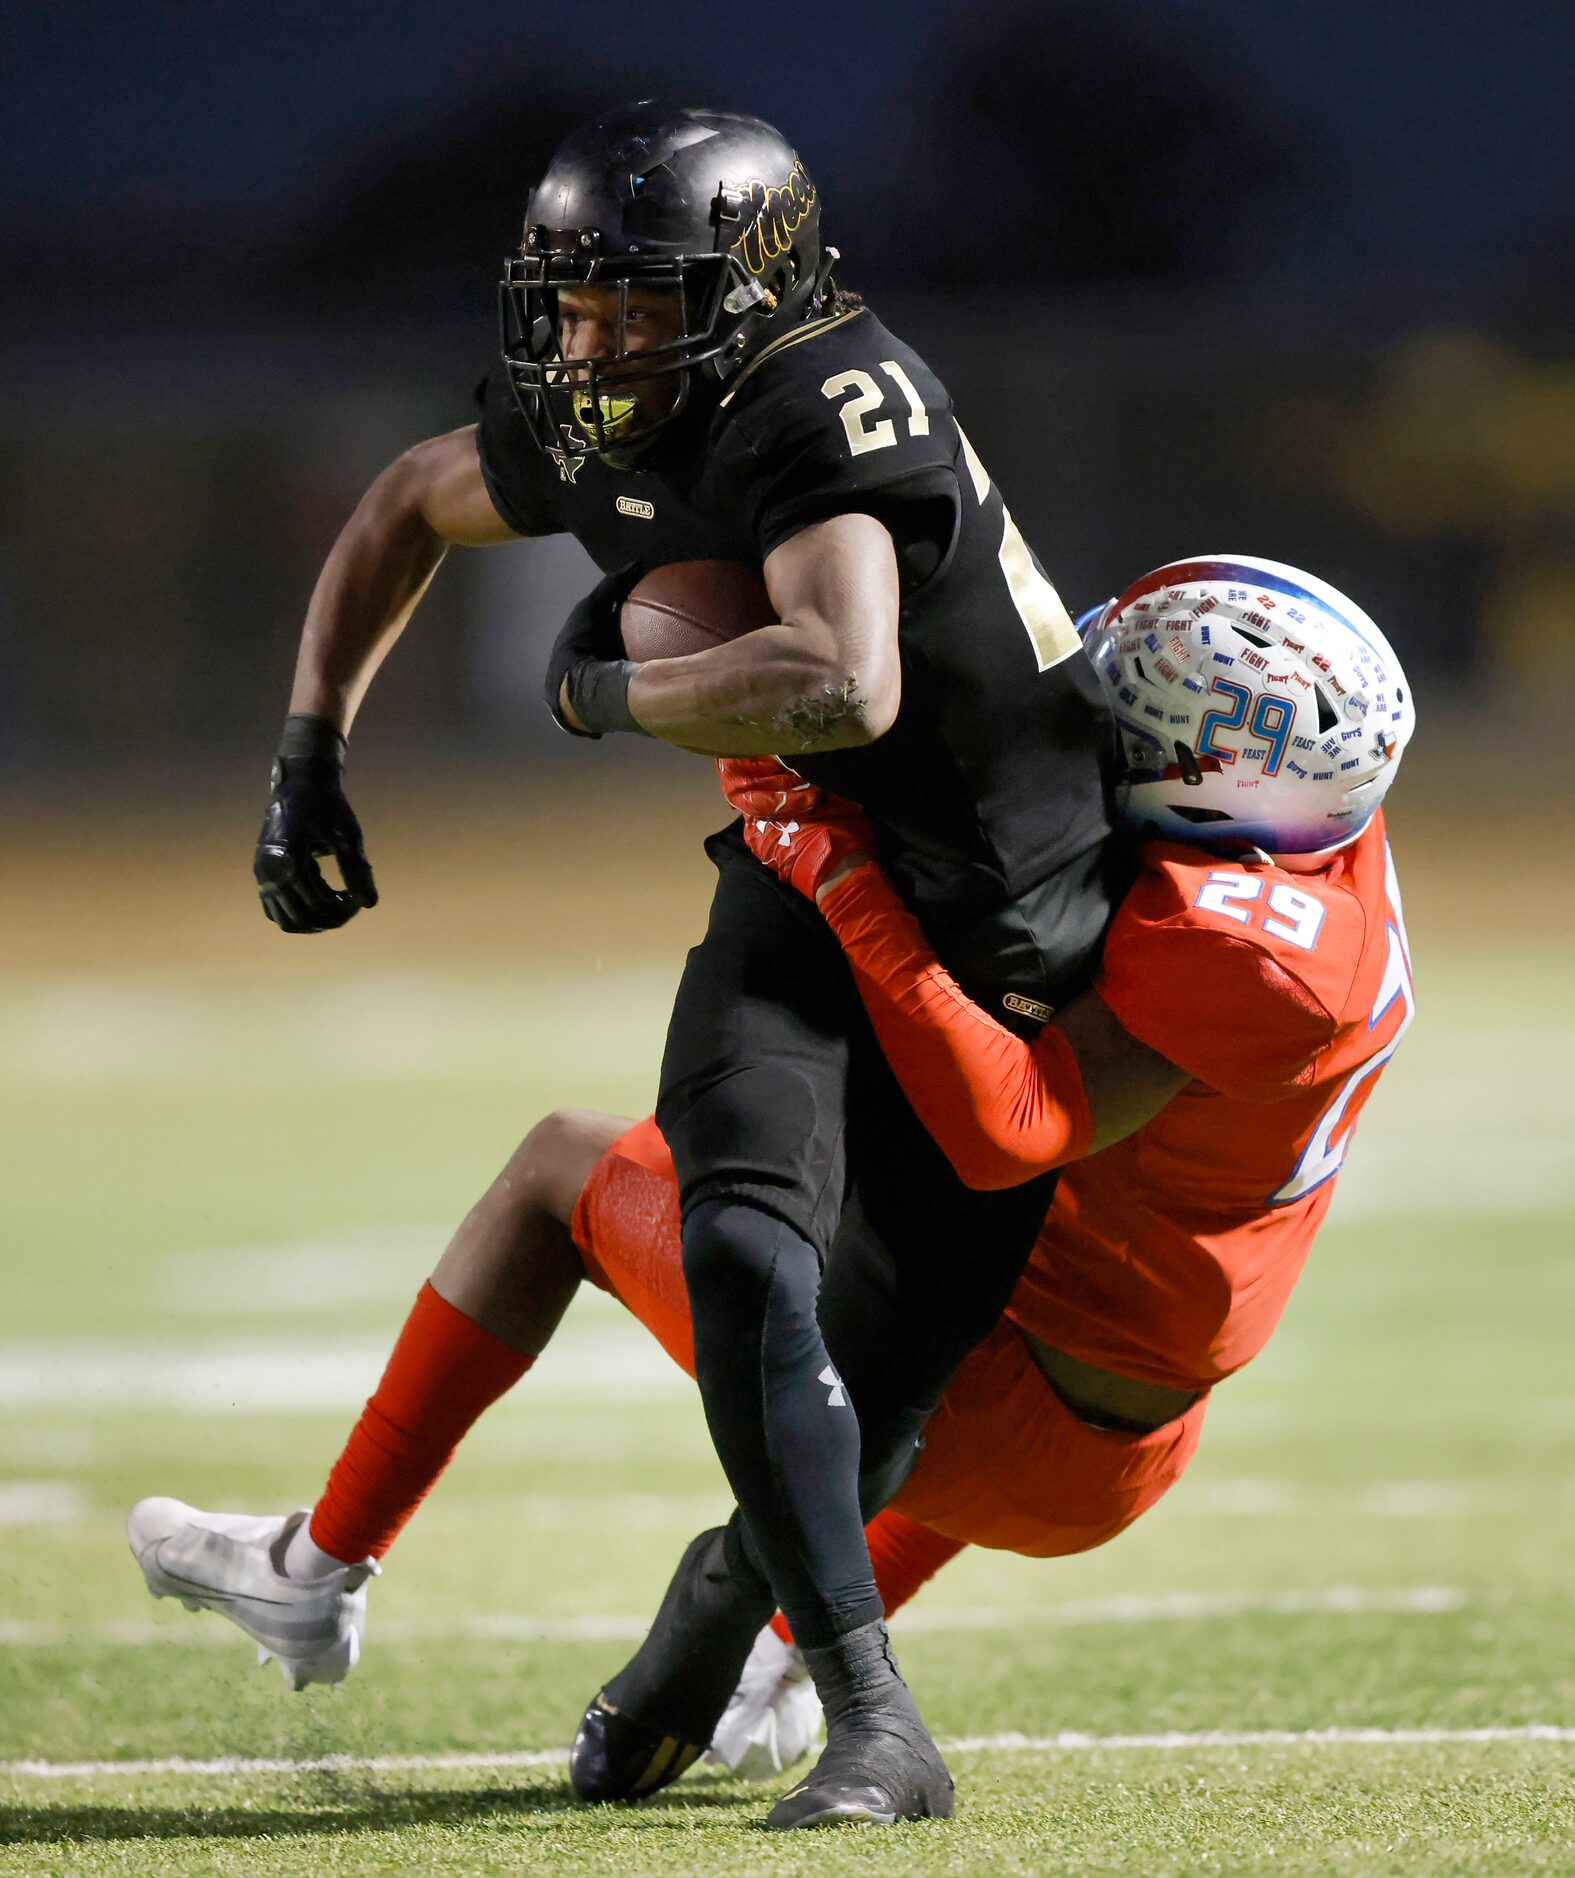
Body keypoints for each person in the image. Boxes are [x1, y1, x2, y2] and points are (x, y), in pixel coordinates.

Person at [131, 556, 1415, 1812]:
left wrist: (834, 868)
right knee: (945, 1236)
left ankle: (319, 1561)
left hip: (1005, 1406)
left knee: (559, 1169)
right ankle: (778, 1654)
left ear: (1191, 779)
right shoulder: (1323, 843)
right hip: (1121, 1414)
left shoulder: (1247, 951)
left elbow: (1011, 1126)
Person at [244, 99, 1130, 1826]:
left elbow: (847, 675)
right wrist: (305, 749)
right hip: (814, 869)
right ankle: (880, 1724)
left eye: (638, 304)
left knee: (881, 1387)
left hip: (1006, 927)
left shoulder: (825, 397)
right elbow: (408, 500)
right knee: (737, 1240)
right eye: (574, 303)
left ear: (758, 283)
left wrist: (608, 692)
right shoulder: (602, 404)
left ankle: (712, 1629)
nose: (595, 343)